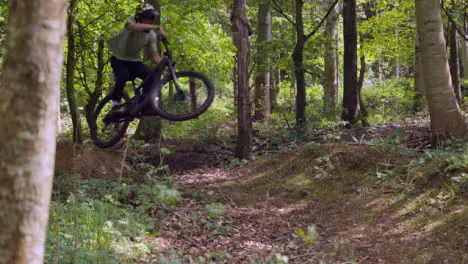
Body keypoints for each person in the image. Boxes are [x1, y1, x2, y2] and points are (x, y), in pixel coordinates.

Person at [106, 5, 166, 118]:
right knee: (123, 76)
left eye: (152, 19)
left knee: (151, 76)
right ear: (141, 17)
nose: (150, 21)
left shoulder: (151, 35)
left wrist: (164, 65)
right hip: (119, 59)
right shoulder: (131, 21)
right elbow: (132, 27)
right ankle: (115, 104)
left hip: (134, 61)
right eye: (148, 18)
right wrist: (156, 27)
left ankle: (145, 106)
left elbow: (155, 56)